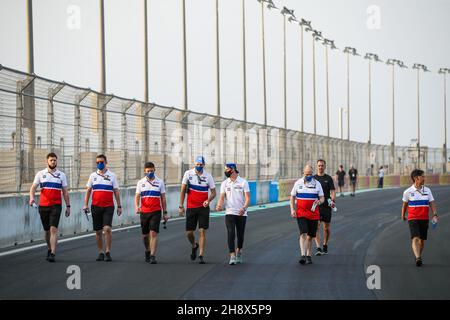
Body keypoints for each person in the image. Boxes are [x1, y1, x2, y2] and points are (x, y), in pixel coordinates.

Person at [29, 152, 71, 262]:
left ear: (57, 161)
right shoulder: (40, 174)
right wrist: (31, 198)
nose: (53, 162)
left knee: (53, 229)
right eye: (51, 160)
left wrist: (68, 206)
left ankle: (53, 253)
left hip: (56, 206)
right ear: (47, 161)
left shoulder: (61, 175)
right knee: (47, 231)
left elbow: (65, 192)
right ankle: (49, 248)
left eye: (55, 160)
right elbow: (33, 187)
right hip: (43, 206)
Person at [83, 154, 122, 262]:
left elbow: (116, 191)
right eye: (98, 162)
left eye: (101, 162)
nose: (99, 164)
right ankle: (100, 252)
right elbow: (88, 191)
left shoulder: (112, 176)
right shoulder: (92, 176)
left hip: (108, 206)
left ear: (106, 162)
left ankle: (108, 251)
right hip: (96, 206)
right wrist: (85, 204)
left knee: (107, 229)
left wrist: (119, 206)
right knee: (98, 231)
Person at [179, 156, 216, 264]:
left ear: (204, 165)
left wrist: (208, 200)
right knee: (189, 233)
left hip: (203, 208)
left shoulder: (208, 176)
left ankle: (201, 255)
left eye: (201, 165)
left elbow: (214, 192)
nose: (199, 166)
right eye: (197, 164)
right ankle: (194, 245)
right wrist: (181, 206)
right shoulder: (188, 174)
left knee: (202, 231)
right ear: (194, 164)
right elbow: (182, 191)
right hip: (191, 207)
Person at [402, 169, 438, 267]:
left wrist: (435, 214)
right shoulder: (407, 192)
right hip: (412, 218)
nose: (424, 178)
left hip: (424, 218)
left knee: (422, 240)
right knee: (415, 238)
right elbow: (404, 205)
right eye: (423, 176)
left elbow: (432, 203)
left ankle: (418, 255)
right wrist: (403, 215)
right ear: (416, 178)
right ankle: (418, 257)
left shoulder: (428, 190)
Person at [216, 163, 250, 265]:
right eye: (225, 169)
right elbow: (222, 197)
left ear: (233, 170)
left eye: (227, 169)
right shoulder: (224, 183)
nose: (226, 171)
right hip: (229, 212)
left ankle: (239, 251)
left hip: (241, 213)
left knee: (240, 235)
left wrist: (244, 208)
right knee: (231, 233)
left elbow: (248, 198)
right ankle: (232, 255)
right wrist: (219, 205)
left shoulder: (243, 182)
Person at [290, 165, 325, 265]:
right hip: (301, 213)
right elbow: (292, 197)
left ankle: (309, 255)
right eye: (306, 174)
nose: (308, 176)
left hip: (314, 214)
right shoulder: (298, 183)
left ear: (312, 174)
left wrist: (319, 201)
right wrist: (292, 209)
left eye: (310, 174)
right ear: (303, 173)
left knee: (310, 236)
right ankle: (303, 255)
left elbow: (322, 198)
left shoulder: (317, 184)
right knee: (303, 233)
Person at [135, 162, 168, 264]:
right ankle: (147, 250)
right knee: (145, 235)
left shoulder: (160, 182)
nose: (150, 172)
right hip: (144, 212)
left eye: (152, 171)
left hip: (156, 211)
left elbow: (163, 198)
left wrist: (165, 212)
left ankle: (153, 255)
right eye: (148, 171)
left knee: (153, 233)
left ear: (154, 170)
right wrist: (137, 206)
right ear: (145, 171)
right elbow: (137, 196)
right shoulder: (141, 182)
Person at [314, 159, 336, 256]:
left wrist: (333, 201)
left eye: (322, 165)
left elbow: (333, 191)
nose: (320, 167)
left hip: (326, 206)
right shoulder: (313, 178)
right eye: (319, 165)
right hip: (317, 206)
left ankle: (325, 244)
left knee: (326, 228)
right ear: (317, 166)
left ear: (325, 166)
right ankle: (318, 247)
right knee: (317, 226)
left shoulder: (329, 178)